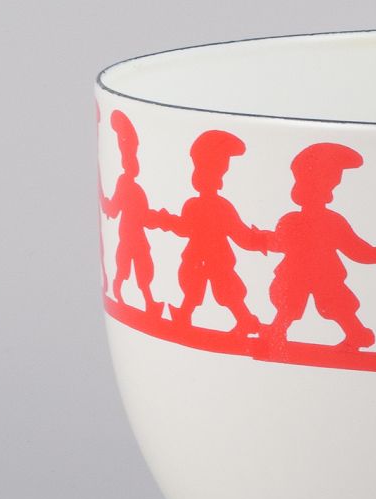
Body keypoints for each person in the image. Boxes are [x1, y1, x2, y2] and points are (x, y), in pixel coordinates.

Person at [262, 142, 376, 349]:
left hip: (321, 272)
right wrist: (260, 239)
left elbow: (355, 248)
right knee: (290, 301)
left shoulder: (328, 221)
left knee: (334, 303)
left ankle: (356, 333)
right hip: (301, 272)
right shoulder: (294, 220)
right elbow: (280, 242)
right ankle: (277, 331)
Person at [155, 130, 267, 334]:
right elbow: (186, 228)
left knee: (226, 290)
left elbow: (239, 234)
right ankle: (185, 315)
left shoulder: (216, 207)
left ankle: (244, 320)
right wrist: (165, 221)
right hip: (203, 257)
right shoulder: (204, 205)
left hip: (214, 257)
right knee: (195, 287)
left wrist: (262, 240)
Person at [99, 109, 164, 316]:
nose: (134, 164)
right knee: (125, 267)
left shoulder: (135, 188)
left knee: (144, 269)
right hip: (129, 235)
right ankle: (118, 293)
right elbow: (117, 208)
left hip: (137, 236)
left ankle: (149, 303)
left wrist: (159, 219)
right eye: (131, 159)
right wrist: (107, 204)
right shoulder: (125, 184)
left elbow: (142, 214)